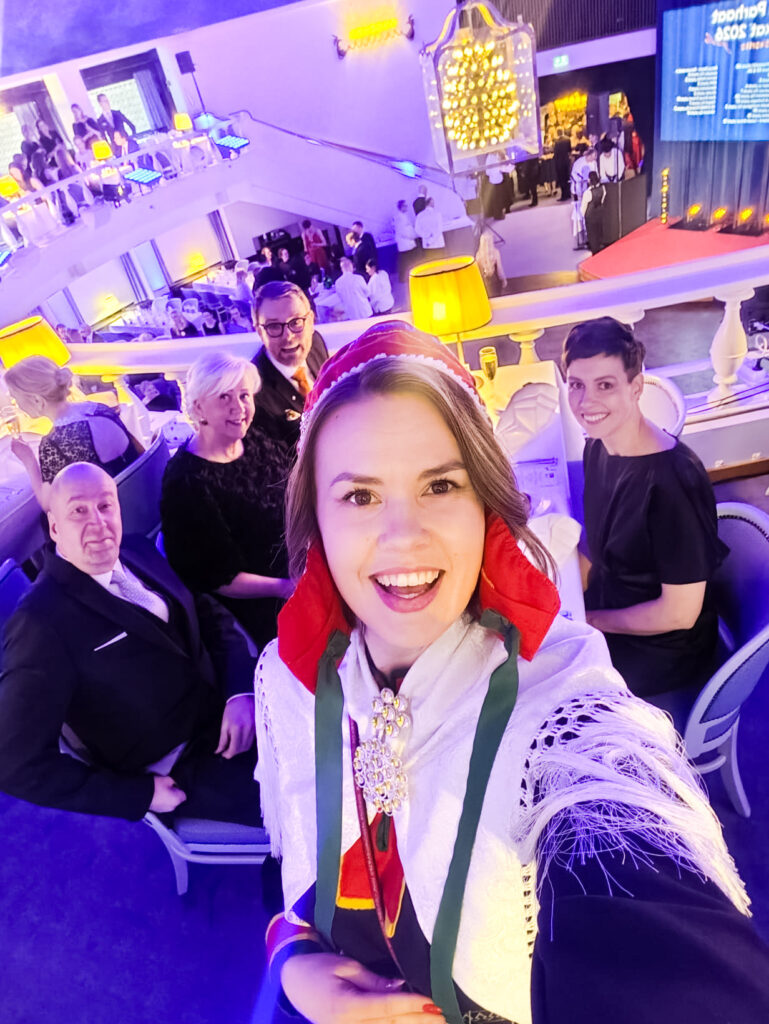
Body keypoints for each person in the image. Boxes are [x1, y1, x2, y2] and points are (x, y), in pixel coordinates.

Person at [254, 321, 769, 1024]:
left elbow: (632, 868)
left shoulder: (556, 707)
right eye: (360, 496)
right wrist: (291, 955)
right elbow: (292, 863)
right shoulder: (290, 683)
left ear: (486, 508)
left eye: (440, 485)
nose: (403, 536)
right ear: (314, 517)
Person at [0, 462, 260, 825]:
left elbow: (208, 614)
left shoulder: (137, 550)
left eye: (105, 505)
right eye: (78, 511)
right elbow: (14, 763)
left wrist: (239, 691)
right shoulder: (40, 622)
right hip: (186, 764)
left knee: (329, 738)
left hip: (233, 710)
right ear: (55, 527)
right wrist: (138, 795)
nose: (98, 523)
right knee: (315, 802)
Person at [563, 317, 727, 705]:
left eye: (605, 385)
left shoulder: (673, 484)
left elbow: (679, 614)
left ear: (636, 387)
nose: (586, 403)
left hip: (663, 649)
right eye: (576, 385)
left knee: (554, 690)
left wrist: (590, 622)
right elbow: (596, 546)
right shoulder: (598, 446)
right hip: (614, 603)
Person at [161, 352, 293, 652]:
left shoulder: (253, 438)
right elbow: (218, 578)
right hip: (261, 601)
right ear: (198, 407)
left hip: (296, 563)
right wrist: (287, 587)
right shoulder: (187, 482)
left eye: (244, 395)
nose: (239, 408)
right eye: (224, 397)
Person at [5, 356, 140, 508]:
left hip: (120, 515)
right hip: (143, 495)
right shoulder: (99, 409)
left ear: (37, 400)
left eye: (16, 399)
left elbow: (48, 504)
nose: (17, 406)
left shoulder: (54, 443)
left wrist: (29, 460)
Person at [252, 280, 329, 448]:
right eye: (273, 326)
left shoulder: (316, 343)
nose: (288, 336)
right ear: (260, 332)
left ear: (311, 322)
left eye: (296, 322)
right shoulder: (254, 395)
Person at [475, 226, 506, 297]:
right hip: (496, 282)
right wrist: (504, 279)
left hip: (485, 284)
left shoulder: (478, 255)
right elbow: (500, 269)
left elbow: (479, 273)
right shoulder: (496, 252)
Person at [581, 170, 606, 255]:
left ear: (589, 180)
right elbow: (602, 200)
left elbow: (583, 208)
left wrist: (584, 216)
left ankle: (595, 252)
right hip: (599, 213)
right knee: (599, 233)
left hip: (590, 216)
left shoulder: (587, 192)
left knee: (592, 236)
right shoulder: (603, 188)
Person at [394, 199, 418, 282]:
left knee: (408, 261)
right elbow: (403, 231)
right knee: (405, 262)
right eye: (405, 206)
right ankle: (403, 278)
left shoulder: (404, 216)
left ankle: (408, 277)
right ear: (401, 207)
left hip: (408, 243)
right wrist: (412, 236)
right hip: (405, 244)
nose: (407, 207)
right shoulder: (399, 218)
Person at [553, 129, 572, 201]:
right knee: (567, 178)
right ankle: (568, 194)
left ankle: (564, 195)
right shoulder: (567, 139)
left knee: (562, 179)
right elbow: (569, 150)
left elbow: (555, 153)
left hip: (559, 162)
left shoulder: (557, 142)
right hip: (566, 161)